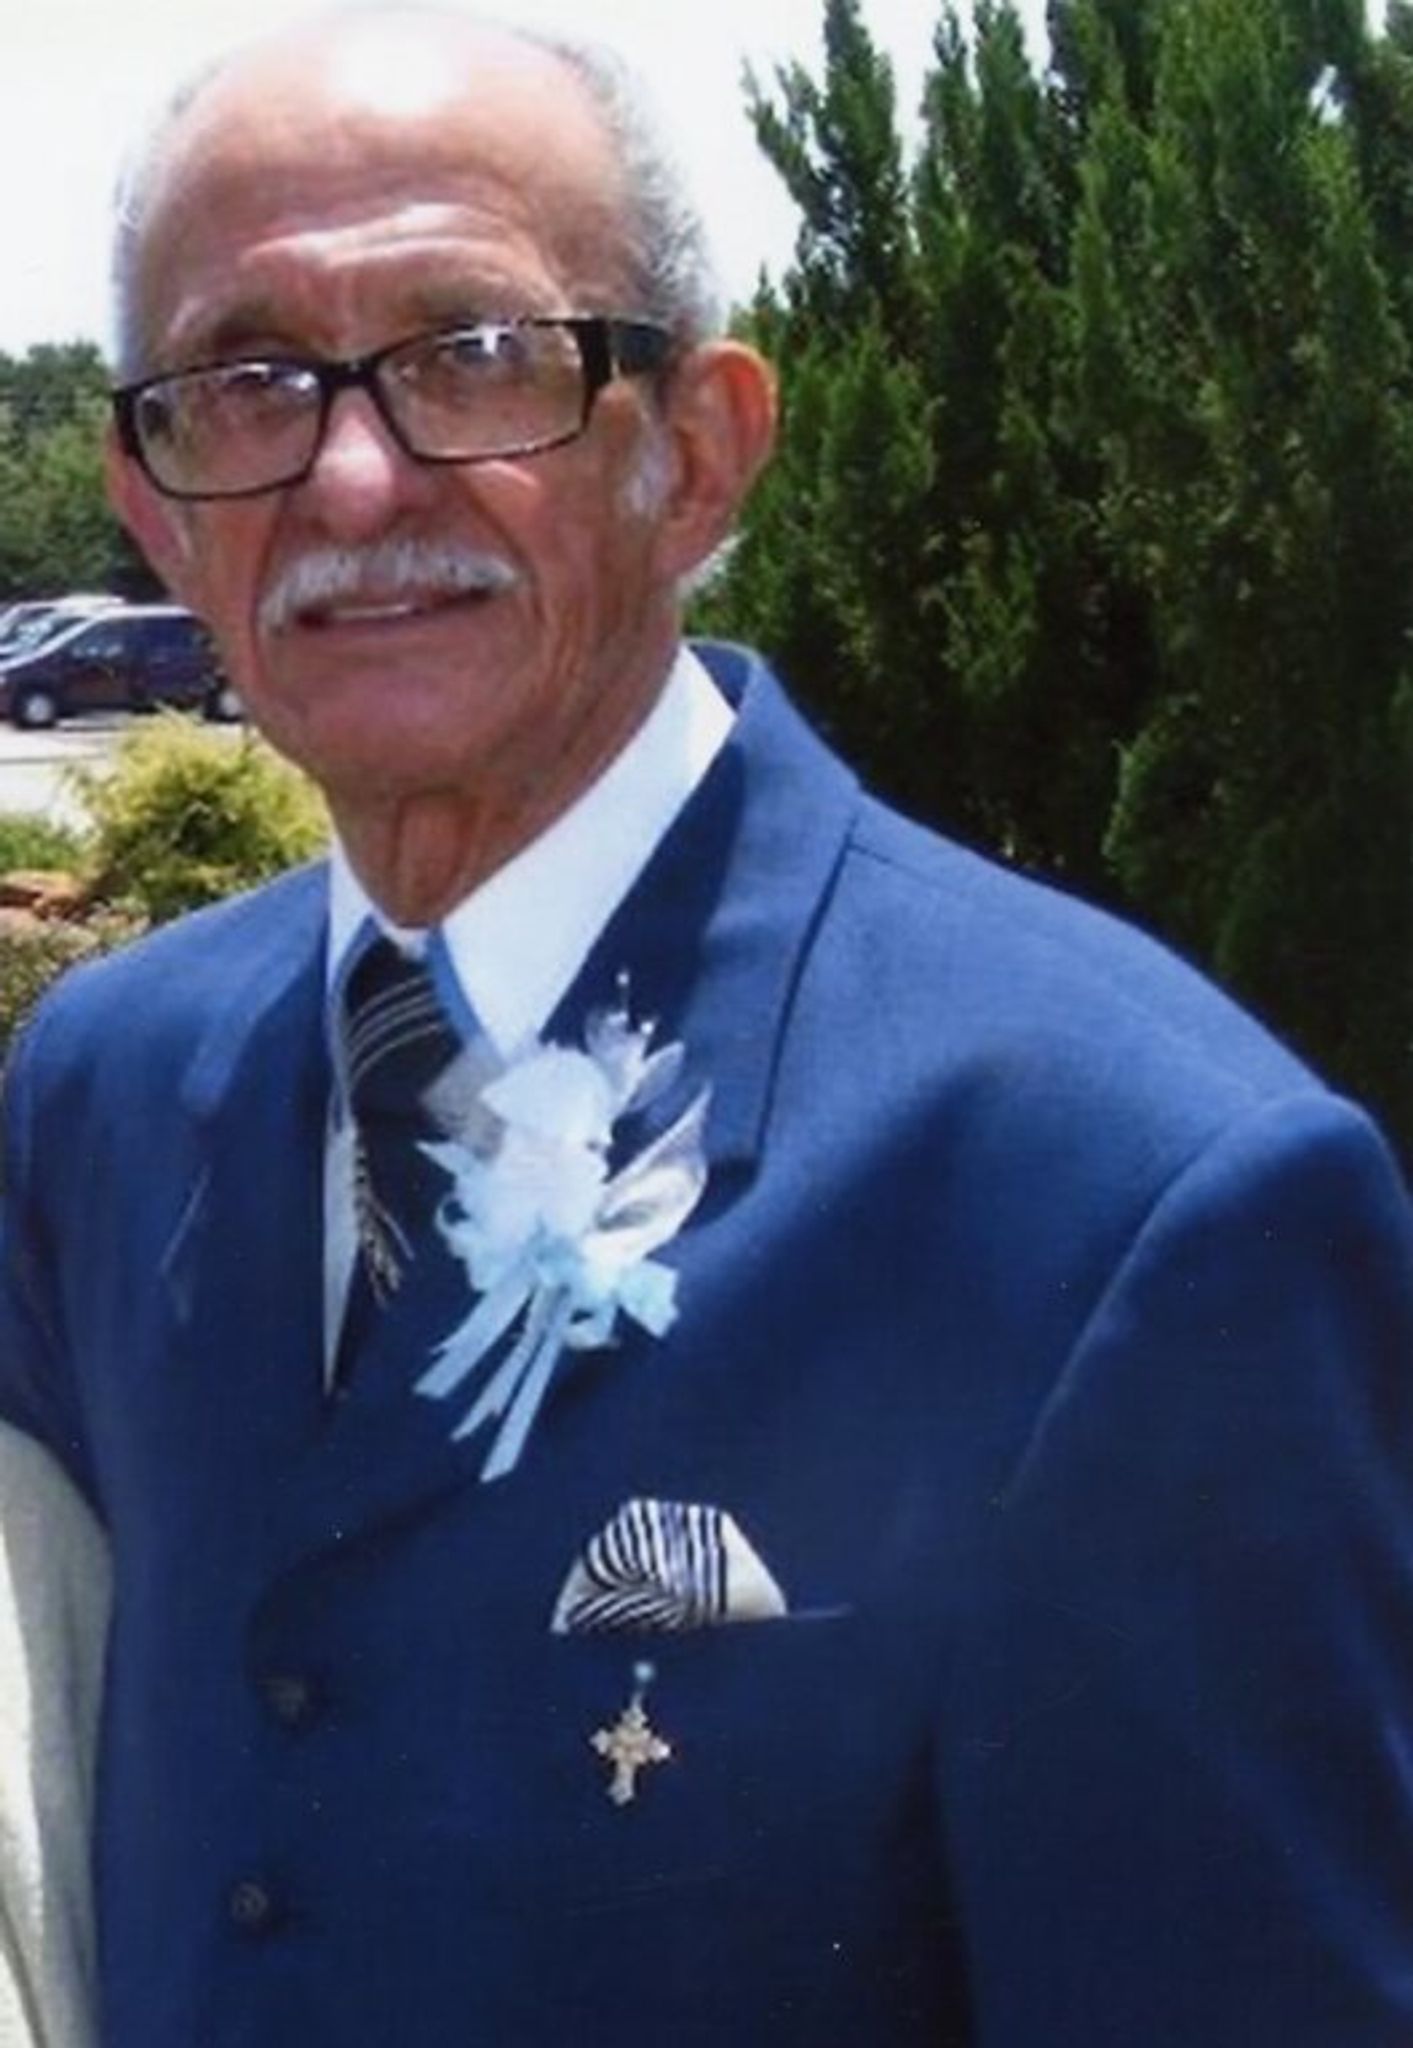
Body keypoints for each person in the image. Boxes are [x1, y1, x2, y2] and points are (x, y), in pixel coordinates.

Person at [1, 8, 1411, 2044]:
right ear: (153, 509)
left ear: (698, 449)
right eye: (246, 383)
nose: (353, 478)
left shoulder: (1121, 1198)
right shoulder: (108, 1087)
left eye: (475, 354)